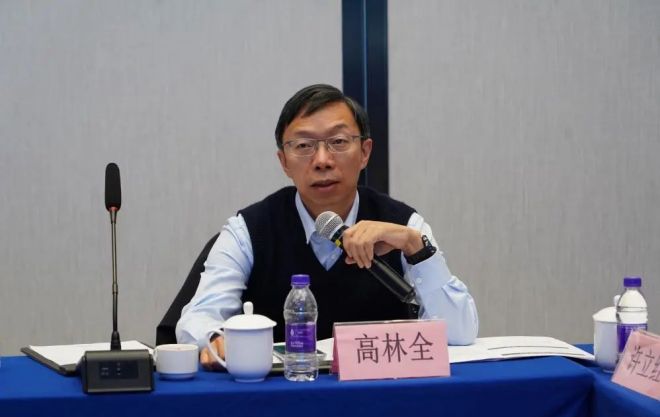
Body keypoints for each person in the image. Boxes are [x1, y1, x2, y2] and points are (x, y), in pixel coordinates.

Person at [176, 84, 478, 369]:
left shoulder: (405, 225)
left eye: (338, 142)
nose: (322, 160)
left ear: (365, 152)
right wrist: (216, 339)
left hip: (381, 396)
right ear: (284, 161)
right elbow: (197, 320)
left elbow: (460, 334)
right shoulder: (248, 231)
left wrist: (414, 247)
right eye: (304, 145)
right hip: (281, 396)